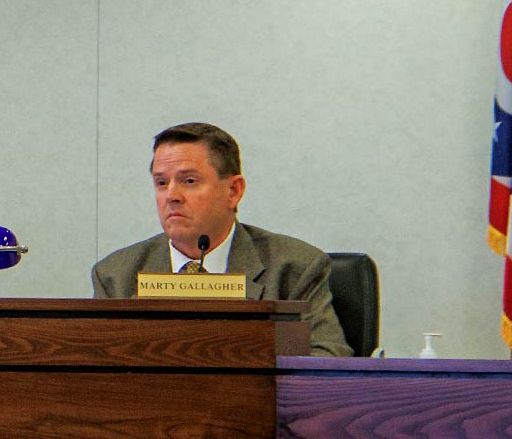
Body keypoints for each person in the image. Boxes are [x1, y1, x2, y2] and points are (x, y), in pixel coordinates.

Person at [90, 122, 351, 356]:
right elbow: (95, 366)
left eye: (189, 181)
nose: (171, 195)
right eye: (161, 183)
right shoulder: (116, 276)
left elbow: (328, 358)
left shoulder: (294, 268)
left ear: (233, 191)